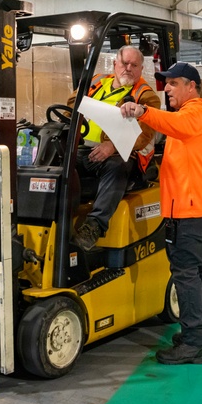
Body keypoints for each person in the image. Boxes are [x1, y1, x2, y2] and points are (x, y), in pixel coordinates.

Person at [120, 62, 202, 365]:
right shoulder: (193, 116)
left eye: (174, 83)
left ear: (191, 86)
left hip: (189, 211)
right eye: (166, 83)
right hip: (201, 206)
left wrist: (142, 112)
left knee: (186, 275)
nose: (167, 89)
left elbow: (175, 125)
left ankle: (193, 343)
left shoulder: (194, 114)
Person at [67, 46, 161, 251]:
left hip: (123, 154)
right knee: (52, 164)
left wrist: (113, 145)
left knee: (117, 166)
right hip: (83, 148)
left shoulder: (145, 96)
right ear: (115, 64)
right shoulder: (96, 82)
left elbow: (144, 134)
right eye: (124, 63)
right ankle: (55, 219)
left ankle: (94, 225)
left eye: (134, 65)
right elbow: (72, 103)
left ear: (141, 69)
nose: (128, 68)